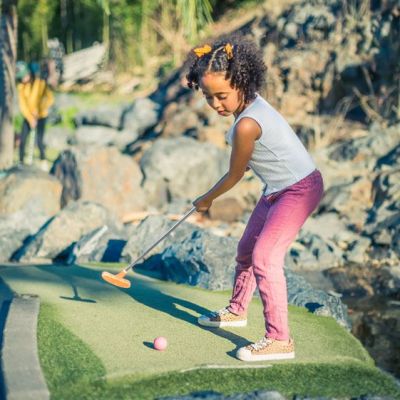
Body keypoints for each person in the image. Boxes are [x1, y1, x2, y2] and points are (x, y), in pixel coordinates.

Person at [186, 34, 324, 362]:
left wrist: (206, 199)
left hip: (299, 189)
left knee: (264, 257)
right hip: (276, 190)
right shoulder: (248, 107)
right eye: (208, 97)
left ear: (242, 82)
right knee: (245, 250)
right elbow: (252, 161)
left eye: (221, 96)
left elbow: (235, 174)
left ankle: (280, 340)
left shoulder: (246, 124)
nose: (216, 104)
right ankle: (237, 310)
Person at [16, 61, 54, 168]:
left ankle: (43, 161)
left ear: (29, 74)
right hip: (28, 117)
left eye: (24, 76)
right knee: (22, 139)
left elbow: (49, 99)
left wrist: (40, 109)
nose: (22, 79)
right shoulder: (21, 87)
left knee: (39, 140)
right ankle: (21, 162)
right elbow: (22, 104)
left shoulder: (40, 83)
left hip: (41, 116)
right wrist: (30, 117)